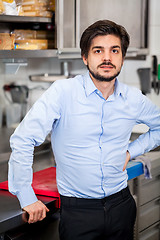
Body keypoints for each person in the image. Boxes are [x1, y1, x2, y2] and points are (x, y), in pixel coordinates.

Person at [8, 20, 160, 240]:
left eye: (114, 50)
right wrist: (26, 196)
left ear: (122, 58)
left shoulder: (133, 98)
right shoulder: (63, 92)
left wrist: (130, 151)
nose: (107, 58)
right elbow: (23, 139)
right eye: (98, 50)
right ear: (85, 57)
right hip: (78, 213)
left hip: (121, 206)